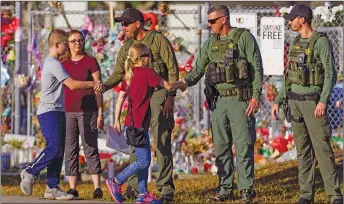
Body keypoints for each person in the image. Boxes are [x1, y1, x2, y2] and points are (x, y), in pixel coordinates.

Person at [177, 5, 263, 203]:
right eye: (208, 21)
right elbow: (198, 69)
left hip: (241, 99)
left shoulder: (244, 38)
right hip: (218, 101)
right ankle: (225, 189)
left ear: (224, 19)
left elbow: (256, 69)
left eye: (212, 21)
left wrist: (256, 96)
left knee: (242, 146)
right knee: (221, 146)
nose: (209, 25)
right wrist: (183, 83)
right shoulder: (210, 44)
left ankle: (246, 190)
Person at [99, 8, 179, 202]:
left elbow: (172, 68)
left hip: (159, 93)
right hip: (140, 98)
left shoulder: (157, 40)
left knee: (161, 139)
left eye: (126, 24)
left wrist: (170, 97)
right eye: (122, 24)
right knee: (137, 142)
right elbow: (119, 73)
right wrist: (103, 86)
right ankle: (137, 189)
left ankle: (165, 189)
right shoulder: (128, 46)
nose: (123, 27)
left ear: (137, 24)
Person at [19, 29, 102, 200]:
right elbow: (71, 85)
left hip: (58, 110)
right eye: (66, 43)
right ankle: (30, 171)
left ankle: (52, 187)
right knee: (54, 147)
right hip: (48, 111)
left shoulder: (57, 63)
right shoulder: (54, 63)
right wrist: (93, 83)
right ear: (57, 45)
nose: (68, 47)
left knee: (59, 151)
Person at [272, 4, 343, 204]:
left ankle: (335, 195)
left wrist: (323, 100)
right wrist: (279, 100)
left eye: (292, 19)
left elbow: (330, 74)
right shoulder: (295, 42)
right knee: (303, 151)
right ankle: (305, 195)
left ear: (302, 19)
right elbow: (290, 76)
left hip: (313, 103)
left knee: (322, 149)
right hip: (294, 102)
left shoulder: (320, 42)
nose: (290, 22)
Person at [61, 30, 104, 199]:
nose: (77, 43)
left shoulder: (90, 61)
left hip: (88, 111)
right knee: (70, 149)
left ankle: (97, 187)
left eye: (80, 40)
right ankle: (73, 188)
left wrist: (100, 113)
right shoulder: (63, 63)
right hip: (68, 111)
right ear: (68, 44)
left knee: (90, 147)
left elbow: (98, 88)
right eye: (73, 41)